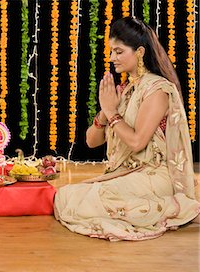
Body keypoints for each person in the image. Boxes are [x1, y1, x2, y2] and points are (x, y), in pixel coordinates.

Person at [54, 17, 200, 241]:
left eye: (119, 52)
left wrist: (112, 113)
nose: (112, 58)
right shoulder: (124, 90)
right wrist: (104, 112)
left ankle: (176, 208)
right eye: (112, 51)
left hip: (154, 174)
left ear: (140, 52)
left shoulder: (157, 89)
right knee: (65, 195)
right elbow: (91, 142)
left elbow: (137, 142)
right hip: (127, 173)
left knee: (89, 199)